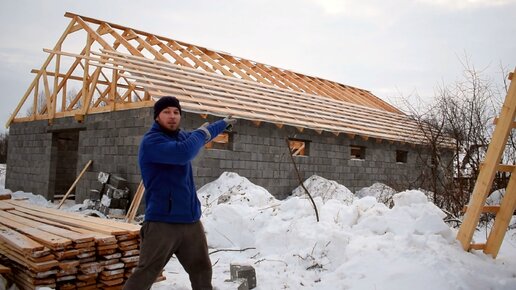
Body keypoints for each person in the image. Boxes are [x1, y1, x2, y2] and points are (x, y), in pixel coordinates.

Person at [123, 96, 236, 290]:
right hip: (162, 223)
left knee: (202, 269)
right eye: (166, 112)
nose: (172, 116)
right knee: (146, 273)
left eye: (176, 112)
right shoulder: (152, 142)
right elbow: (185, 152)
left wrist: (223, 123)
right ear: (157, 117)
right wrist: (201, 134)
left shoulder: (183, 137)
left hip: (190, 222)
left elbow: (204, 132)